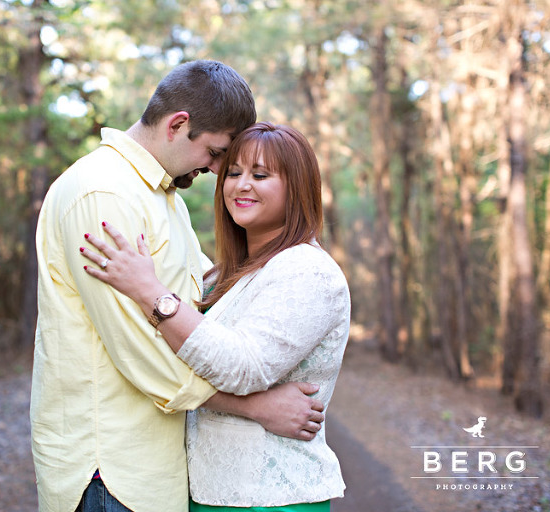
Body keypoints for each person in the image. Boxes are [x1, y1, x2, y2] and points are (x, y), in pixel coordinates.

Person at [32, 62, 326, 512]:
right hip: (110, 472)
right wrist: (254, 406)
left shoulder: (159, 196)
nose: (215, 170)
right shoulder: (104, 195)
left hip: (153, 467)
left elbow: (208, 302)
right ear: (178, 124)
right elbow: (141, 353)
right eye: (215, 153)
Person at [81, 122, 350, 511]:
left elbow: (242, 366)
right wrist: (256, 406)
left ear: (298, 188)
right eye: (233, 173)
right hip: (212, 491)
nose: (241, 185)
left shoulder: (308, 272)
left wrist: (150, 292)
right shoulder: (225, 274)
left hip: (269, 497)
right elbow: (180, 356)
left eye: (260, 175)